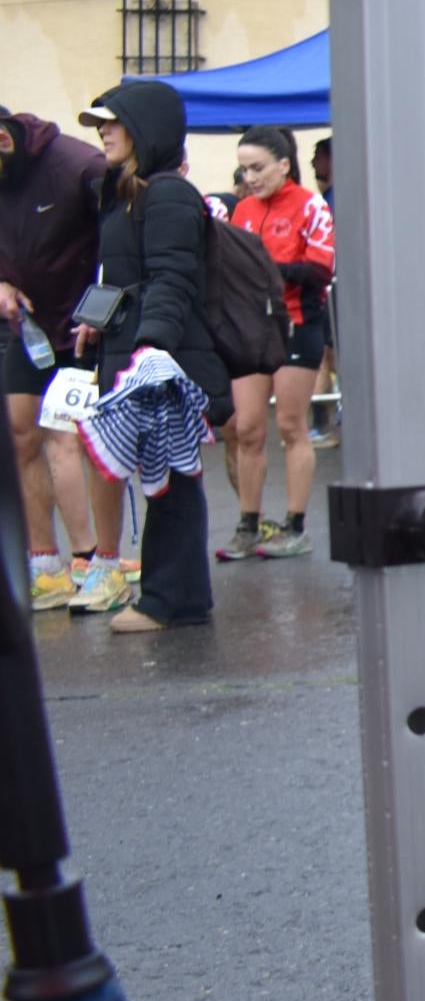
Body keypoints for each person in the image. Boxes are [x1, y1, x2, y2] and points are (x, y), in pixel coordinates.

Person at [71, 81, 225, 632]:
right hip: (140, 354)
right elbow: (130, 280)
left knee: (173, 480)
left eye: (112, 121)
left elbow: (171, 280)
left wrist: (150, 346)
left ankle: (169, 601)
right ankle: (173, 597)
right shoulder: (129, 193)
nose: (103, 132)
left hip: (163, 361)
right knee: (163, 477)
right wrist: (100, 322)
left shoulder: (166, 195)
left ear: (145, 128)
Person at [1, 102, 109, 610]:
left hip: (81, 325)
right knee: (19, 430)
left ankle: (89, 559)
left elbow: (121, 237)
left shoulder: (76, 164)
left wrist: (104, 306)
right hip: (28, 326)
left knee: (61, 434)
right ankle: (45, 563)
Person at [214, 127, 335, 560]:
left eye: (259, 168)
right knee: (245, 428)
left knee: (290, 425)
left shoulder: (312, 205)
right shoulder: (242, 209)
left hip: (298, 323)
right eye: (245, 169)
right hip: (250, 329)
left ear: (284, 164)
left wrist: (266, 269)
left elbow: (319, 271)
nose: (251, 177)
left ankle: (295, 525)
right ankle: (249, 525)